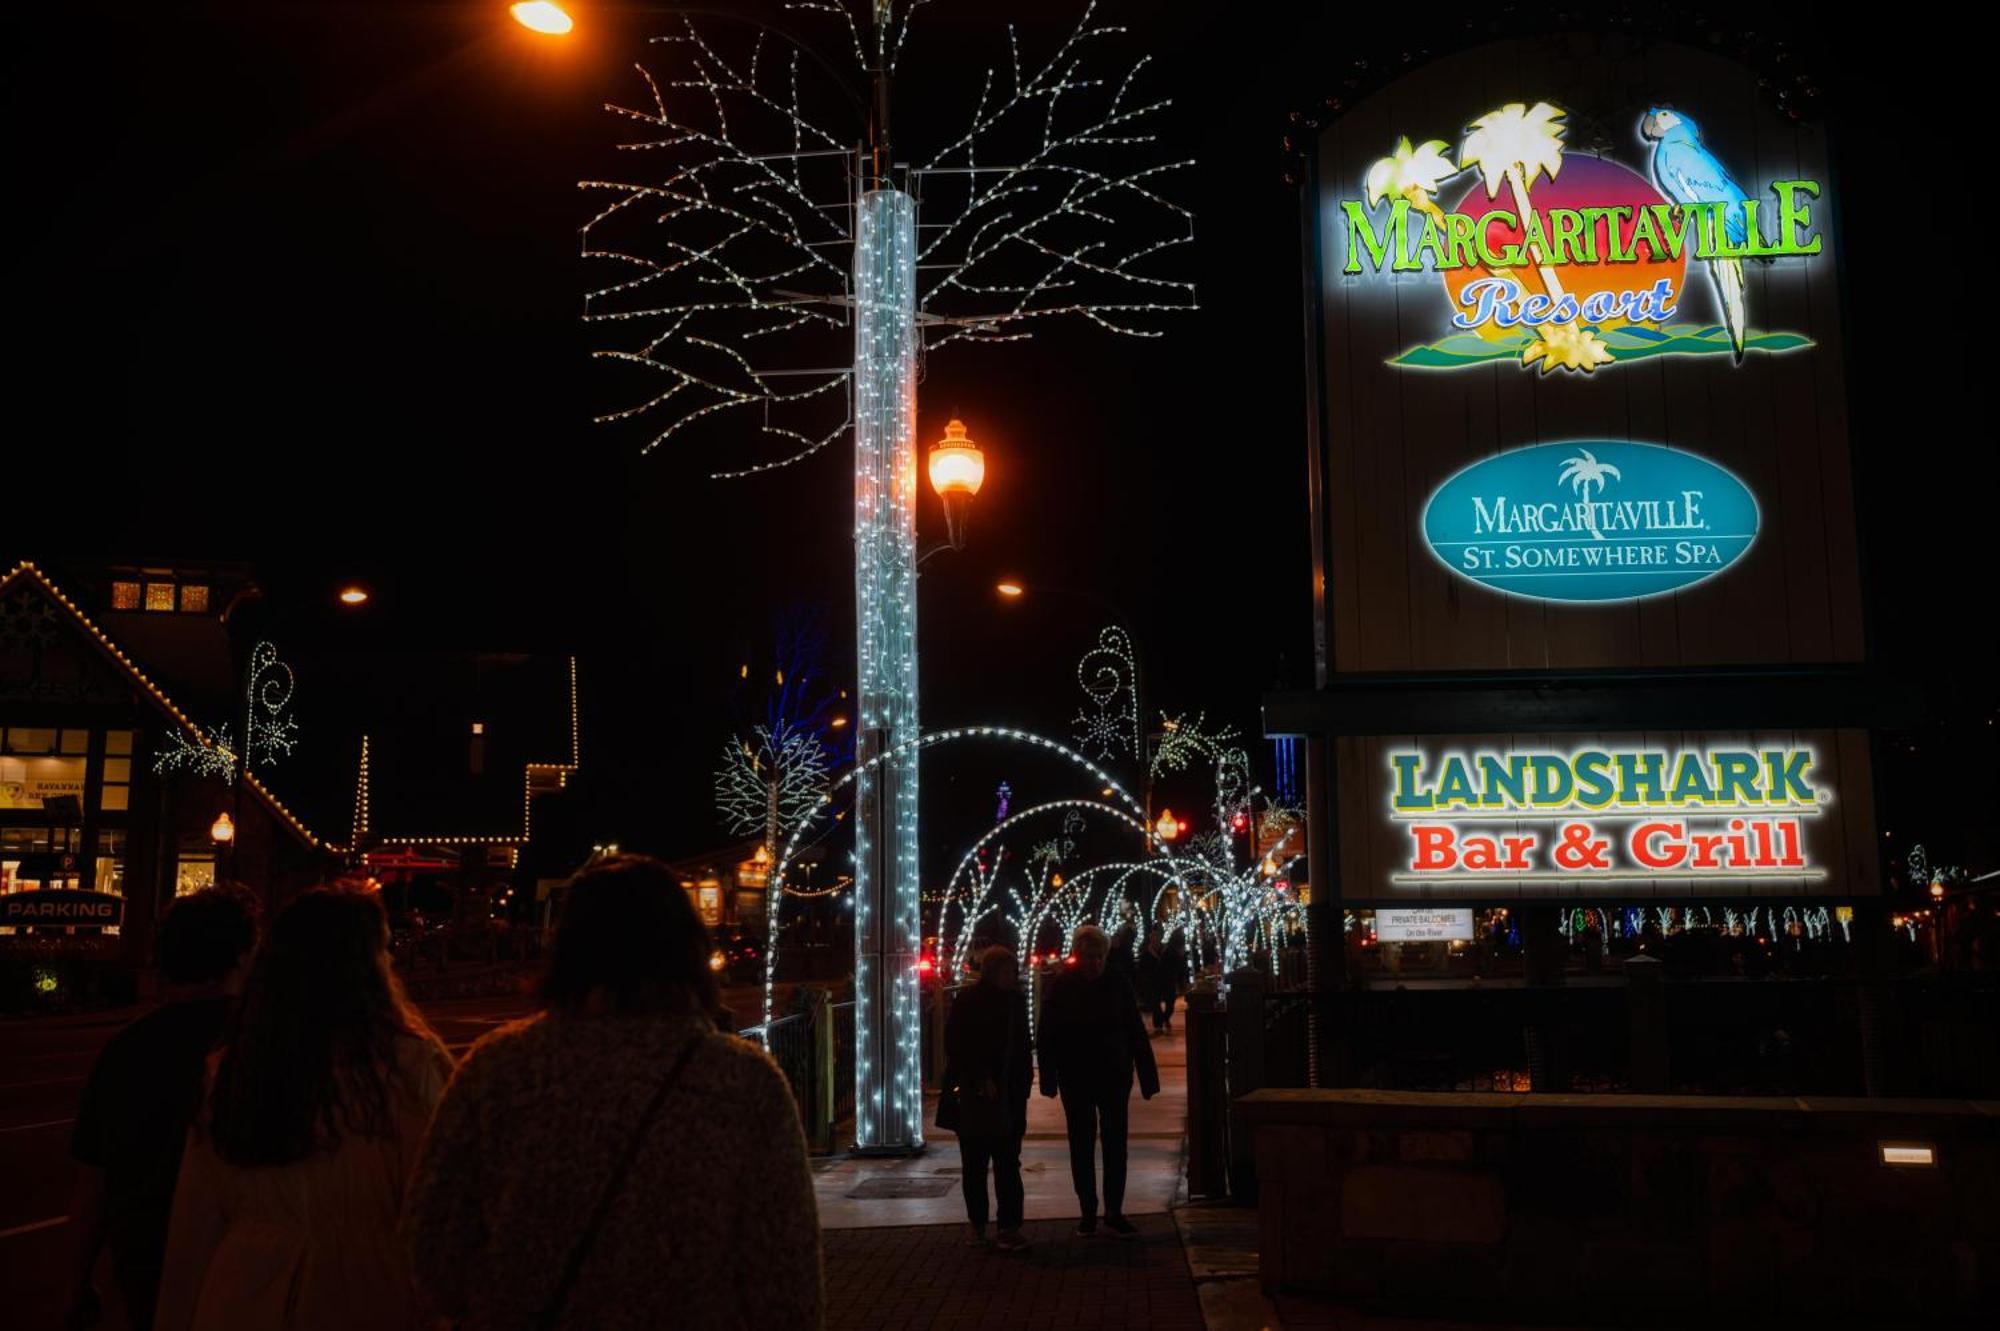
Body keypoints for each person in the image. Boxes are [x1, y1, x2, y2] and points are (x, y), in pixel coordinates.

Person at [403, 854, 821, 1330]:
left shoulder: (498, 1070)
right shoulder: (743, 1083)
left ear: (566, 949)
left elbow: (431, 1247)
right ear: (687, 952)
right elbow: (788, 1279)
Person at [153, 885, 452, 1331]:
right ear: (364, 969)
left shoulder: (236, 1067)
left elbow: (195, 1223)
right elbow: (437, 1210)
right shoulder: (407, 1065)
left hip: (243, 1292)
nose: (392, 963)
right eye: (384, 949)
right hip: (365, 1295)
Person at [65, 888, 257, 1331]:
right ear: (242, 956)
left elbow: (94, 1180)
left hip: (146, 1256)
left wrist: (75, 1284)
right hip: (240, 1264)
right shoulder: (261, 1041)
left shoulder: (126, 1049)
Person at [1036, 923, 1159, 1238]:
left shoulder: (1117, 983)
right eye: (1090, 956)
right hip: (1076, 1075)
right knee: (1081, 1144)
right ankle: (1088, 1209)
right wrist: (1048, 1077)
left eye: (1100, 956)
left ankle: (1113, 1209)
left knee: (1116, 1144)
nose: (1095, 962)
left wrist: (1147, 1075)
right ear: (1079, 954)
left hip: (1113, 1074)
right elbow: (1047, 1034)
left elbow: (1134, 1029)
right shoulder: (1063, 986)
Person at [940, 945, 1033, 1251]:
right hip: (976, 1094)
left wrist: (1023, 1084)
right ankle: (979, 1223)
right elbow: (956, 1044)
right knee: (976, 1164)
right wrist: (980, 1077)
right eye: (1007, 971)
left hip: (1007, 1094)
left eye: (1013, 971)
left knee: (1006, 1163)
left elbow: (1022, 1047)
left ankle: (1007, 1225)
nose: (1011, 977)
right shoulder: (970, 1001)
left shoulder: (1014, 1002)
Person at [1136, 926, 1172, 1034]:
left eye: (1157, 937)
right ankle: (1158, 1026)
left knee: (1170, 1003)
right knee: (1156, 1004)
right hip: (1152, 982)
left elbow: (1172, 964)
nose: (1155, 939)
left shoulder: (1166, 950)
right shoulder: (1145, 952)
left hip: (1166, 981)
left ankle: (1165, 1018)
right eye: (1153, 937)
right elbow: (1142, 968)